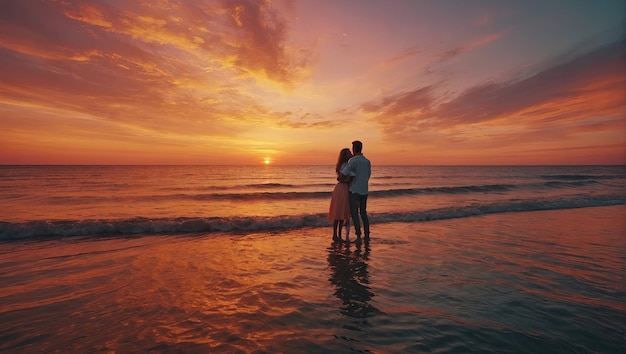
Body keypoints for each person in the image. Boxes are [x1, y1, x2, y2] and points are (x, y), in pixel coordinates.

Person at [341, 140, 371, 240]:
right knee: (363, 213)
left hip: (354, 190)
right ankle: (367, 233)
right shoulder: (367, 161)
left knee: (354, 213)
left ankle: (358, 234)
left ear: (354, 149)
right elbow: (368, 175)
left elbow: (345, 172)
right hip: (364, 190)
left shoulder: (353, 161)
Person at [328, 148, 353, 242]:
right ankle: (336, 235)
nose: (351, 154)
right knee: (340, 212)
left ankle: (337, 235)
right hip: (343, 188)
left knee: (339, 212)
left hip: (340, 188)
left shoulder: (342, 165)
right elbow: (342, 177)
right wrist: (349, 179)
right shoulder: (346, 165)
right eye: (349, 153)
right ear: (345, 155)